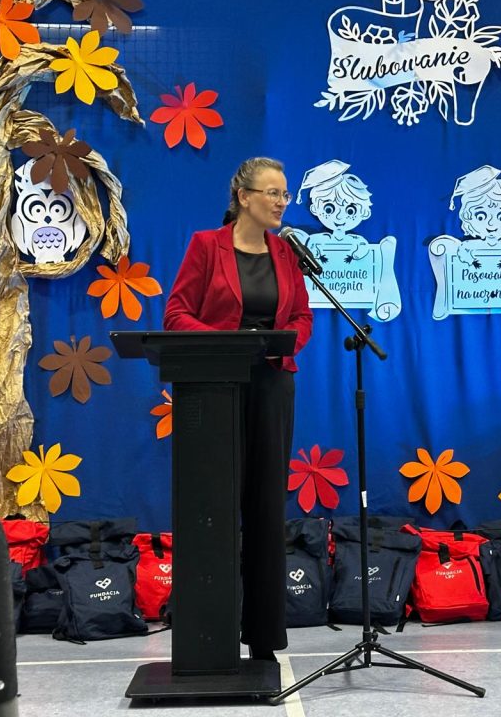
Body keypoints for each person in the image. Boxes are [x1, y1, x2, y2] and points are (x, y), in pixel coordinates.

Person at [163, 157, 313, 661]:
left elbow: (301, 315)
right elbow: (176, 315)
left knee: (267, 510)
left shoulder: (287, 252)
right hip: (216, 388)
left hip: (272, 386)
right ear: (244, 197)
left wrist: (283, 343)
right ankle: (212, 634)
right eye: (272, 192)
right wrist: (228, 344)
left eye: (285, 194)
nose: (281, 202)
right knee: (216, 508)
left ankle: (264, 638)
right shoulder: (207, 246)